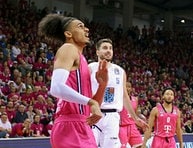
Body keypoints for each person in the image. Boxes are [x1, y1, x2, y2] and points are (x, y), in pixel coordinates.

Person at [38, 14, 108, 148]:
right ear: (68, 34)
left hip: (82, 123)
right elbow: (56, 88)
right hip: (70, 125)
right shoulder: (68, 48)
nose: (86, 29)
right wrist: (91, 102)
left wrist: (102, 85)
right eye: (80, 26)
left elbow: (93, 106)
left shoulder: (82, 60)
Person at [89, 38, 147, 148]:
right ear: (97, 51)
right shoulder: (90, 68)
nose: (108, 51)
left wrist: (135, 119)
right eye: (105, 48)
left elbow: (125, 96)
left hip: (112, 116)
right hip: (93, 114)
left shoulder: (120, 71)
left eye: (110, 48)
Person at [119, 81, 145, 148]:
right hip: (122, 127)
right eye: (125, 86)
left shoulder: (135, 99)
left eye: (129, 86)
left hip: (132, 126)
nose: (127, 88)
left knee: (140, 146)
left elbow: (135, 115)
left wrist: (140, 123)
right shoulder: (118, 99)